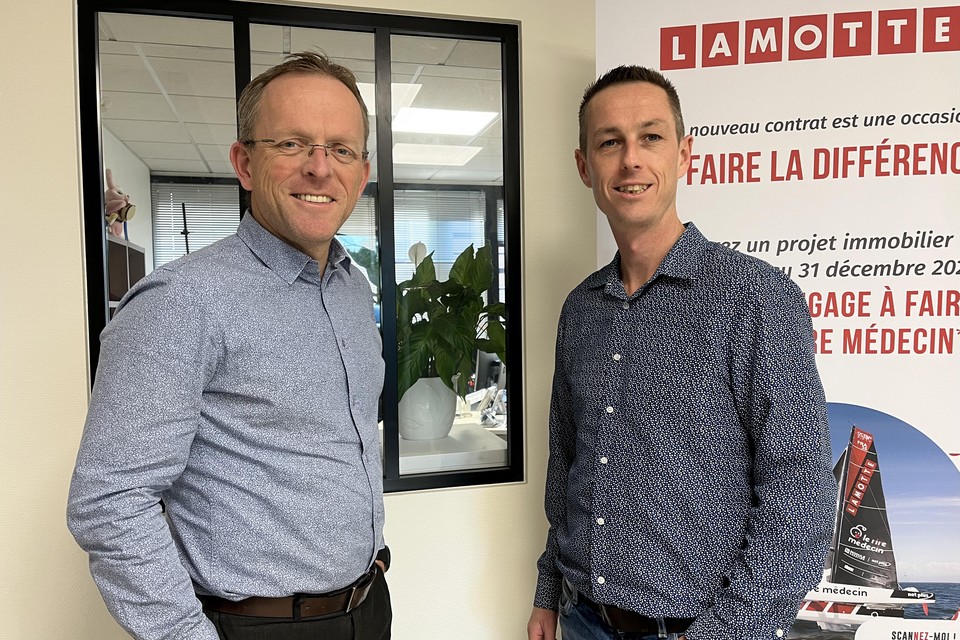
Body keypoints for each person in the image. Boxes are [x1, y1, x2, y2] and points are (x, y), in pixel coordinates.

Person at [68, 51, 391, 640]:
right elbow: (110, 502)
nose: (320, 169)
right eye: (292, 144)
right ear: (244, 163)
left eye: (341, 149)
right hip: (258, 628)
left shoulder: (351, 288)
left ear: (361, 174)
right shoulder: (182, 300)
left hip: (368, 608)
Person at [527, 66, 835, 640]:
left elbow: (800, 498)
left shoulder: (757, 299)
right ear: (584, 166)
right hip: (581, 618)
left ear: (684, 153)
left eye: (651, 137)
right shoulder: (581, 310)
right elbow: (567, 467)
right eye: (609, 142)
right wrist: (548, 592)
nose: (630, 160)